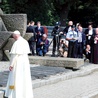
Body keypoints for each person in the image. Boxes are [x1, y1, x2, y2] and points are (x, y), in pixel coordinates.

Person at [4, 30, 34, 98]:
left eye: (14, 37)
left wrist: (11, 65)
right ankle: (24, 94)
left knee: (16, 77)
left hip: (18, 63)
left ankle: (14, 94)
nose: (13, 38)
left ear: (16, 36)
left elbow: (15, 56)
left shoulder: (17, 43)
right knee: (24, 78)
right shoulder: (25, 41)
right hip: (25, 62)